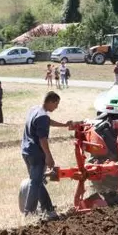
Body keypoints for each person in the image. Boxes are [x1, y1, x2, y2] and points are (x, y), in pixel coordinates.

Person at [21, 91, 73, 221]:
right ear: (51, 101)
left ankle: (48, 209)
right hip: (37, 154)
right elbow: (42, 139)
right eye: (56, 104)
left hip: (26, 151)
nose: (56, 107)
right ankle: (29, 213)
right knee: (35, 182)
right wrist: (48, 157)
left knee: (37, 181)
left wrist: (64, 125)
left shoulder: (35, 110)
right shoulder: (42, 116)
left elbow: (47, 121)